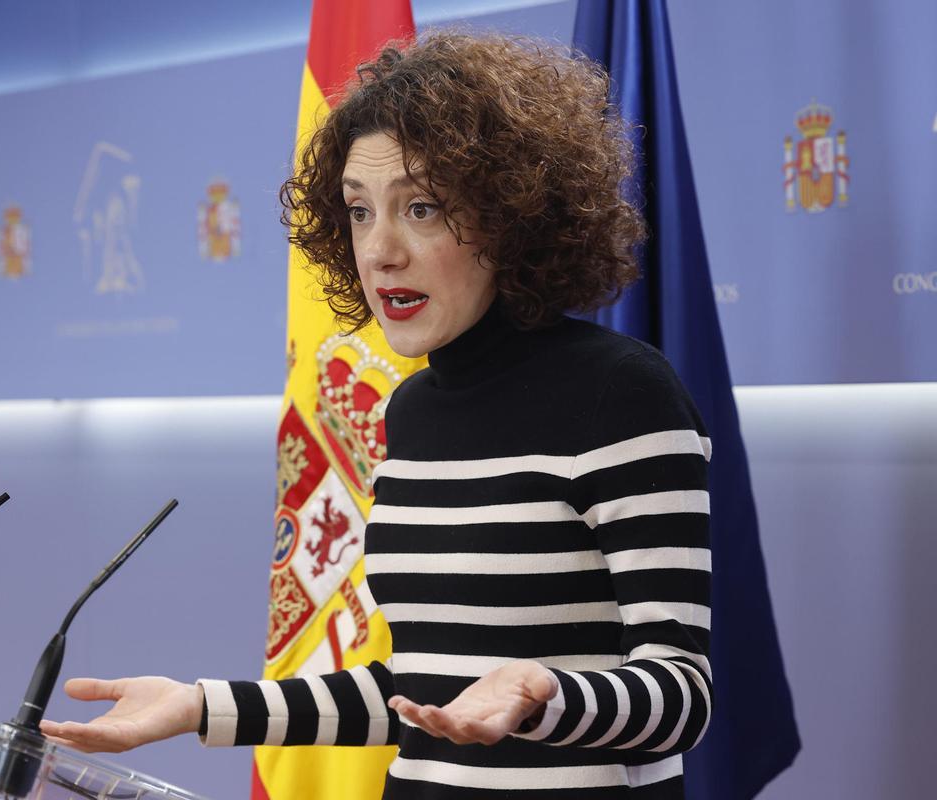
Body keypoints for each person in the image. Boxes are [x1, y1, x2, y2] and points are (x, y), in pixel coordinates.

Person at [42, 32, 712, 799]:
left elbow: (682, 694)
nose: (380, 251)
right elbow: (417, 693)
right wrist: (200, 705)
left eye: (419, 208)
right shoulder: (415, 409)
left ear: (512, 216)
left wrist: (546, 694)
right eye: (359, 213)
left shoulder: (622, 392)